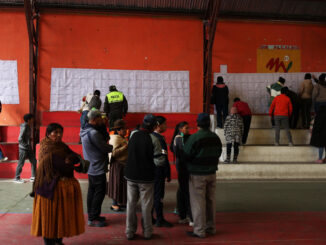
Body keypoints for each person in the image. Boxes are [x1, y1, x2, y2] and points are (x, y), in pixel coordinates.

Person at [31, 123, 85, 245]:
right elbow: (64, 166)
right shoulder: (46, 148)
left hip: (60, 188)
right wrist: (69, 162)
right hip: (48, 188)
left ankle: (58, 241)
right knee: (49, 217)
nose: (58, 135)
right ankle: (49, 242)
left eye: (60, 132)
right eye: (55, 132)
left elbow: (76, 157)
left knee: (60, 217)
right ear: (48, 134)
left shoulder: (61, 146)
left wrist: (70, 159)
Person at [184, 113, 222, 238]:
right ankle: (211, 227)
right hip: (212, 173)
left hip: (197, 174)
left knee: (198, 202)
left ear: (197, 123)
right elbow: (219, 152)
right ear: (209, 124)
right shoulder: (215, 137)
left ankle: (199, 230)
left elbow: (187, 154)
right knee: (210, 201)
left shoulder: (194, 138)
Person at [124, 114, 157, 240]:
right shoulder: (153, 139)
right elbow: (159, 160)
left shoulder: (132, 134)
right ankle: (147, 232)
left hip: (131, 175)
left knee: (131, 204)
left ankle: (129, 232)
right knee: (146, 205)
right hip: (146, 178)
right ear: (154, 127)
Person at [80, 110, 113, 227]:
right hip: (97, 166)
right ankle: (93, 218)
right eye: (100, 118)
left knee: (92, 192)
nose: (102, 120)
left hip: (91, 165)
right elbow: (105, 148)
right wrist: (113, 146)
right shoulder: (94, 133)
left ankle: (93, 215)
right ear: (94, 119)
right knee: (99, 192)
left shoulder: (84, 130)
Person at [151, 116, 172, 227]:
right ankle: (159, 218)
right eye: (164, 124)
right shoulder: (158, 139)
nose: (166, 126)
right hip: (158, 170)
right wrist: (167, 172)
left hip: (152, 169)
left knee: (153, 194)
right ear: (158, 126)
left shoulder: (153, 136)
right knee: (158, 195)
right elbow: (164, 157)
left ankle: (151, 217)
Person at [171, 121, 193, 225]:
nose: (188, 130)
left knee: (182, 189)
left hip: (184, 166)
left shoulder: (184, 137)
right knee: (185, 191)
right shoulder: (179, 138)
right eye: (186, 128)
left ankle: (181, 211)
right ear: (181, 129)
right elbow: (184, 152)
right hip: (183, 167)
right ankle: (185, 214)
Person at [107, 119, 128, 212]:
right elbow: (114, 153)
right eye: (124, 129)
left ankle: (119, 202)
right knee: (116, 184)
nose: (126, 131)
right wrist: (125, 147)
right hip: (117, 165)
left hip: (123, 165)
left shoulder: (121, 138)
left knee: (121, 184)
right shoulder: (115, 139)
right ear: (119, 130)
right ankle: (114, 204)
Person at [14, 114, 37, 183]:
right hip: (23, 148)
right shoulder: (24, 126)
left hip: (28, 148)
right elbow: (20, 139)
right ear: (29, 119)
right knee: (21, 163)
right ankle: (16, 178)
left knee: (34, 161)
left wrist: (29, 140)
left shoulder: (28, 126)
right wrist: (26, 145)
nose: (33, 120)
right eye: (32, 118)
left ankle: (33, 177)